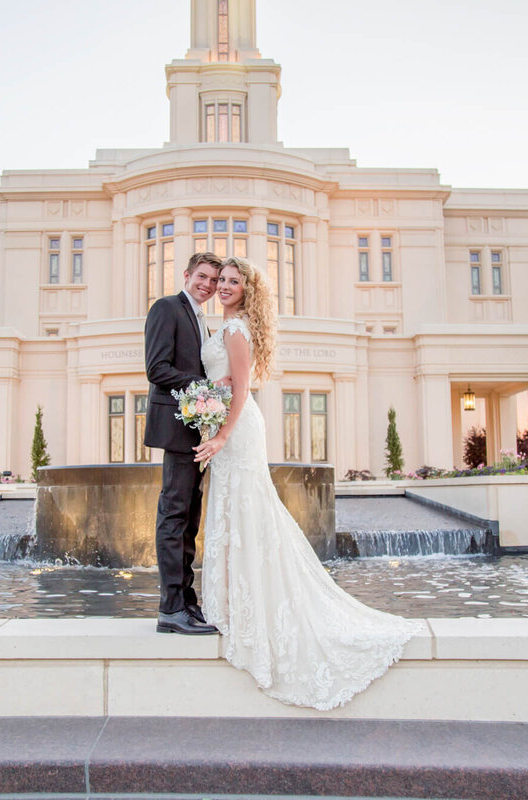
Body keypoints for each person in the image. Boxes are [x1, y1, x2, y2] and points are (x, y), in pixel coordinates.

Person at [193, 256, 418, 710]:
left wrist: (218, 436)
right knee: (236, 512)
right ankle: (235, 603)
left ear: (247, 290)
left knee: (249, 512)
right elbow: (222, 384)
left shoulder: (236, 331)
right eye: (223, 280)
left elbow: (240, 392)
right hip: (229, 431)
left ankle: (247, 607)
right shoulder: (223, 326)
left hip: (237, 432)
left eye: (235, 282)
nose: (225, 286)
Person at [143, 252, 224, 635]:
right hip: (175, 428)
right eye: (203, 277)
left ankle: (186, 602)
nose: (207, 285)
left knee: (190, 518)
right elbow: (156, 368)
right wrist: (205, 389)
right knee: (174, 516)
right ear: (188, 274)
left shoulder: (201, 318)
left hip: (194, 427)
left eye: (214, 280)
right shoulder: (167, 308)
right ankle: (170, 608)